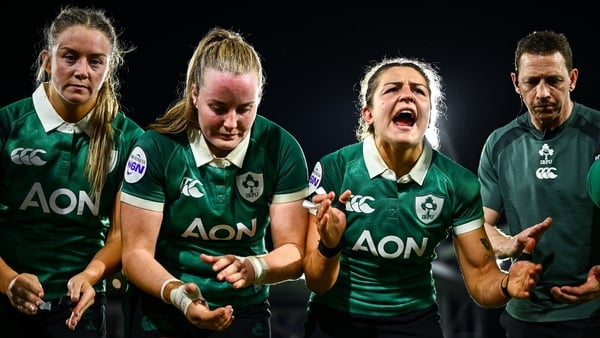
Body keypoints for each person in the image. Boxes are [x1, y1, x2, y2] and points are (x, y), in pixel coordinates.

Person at [301, 56, 545, 338]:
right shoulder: (335, 168)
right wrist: (330, 245)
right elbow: (317, 283)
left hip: (413, 321)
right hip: (336, 318)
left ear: (429, 113)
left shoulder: (458, 183)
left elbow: (481, 279)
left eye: (419, 91)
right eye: (392, 89)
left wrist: (506, 285)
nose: (407, 95)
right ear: (368, 113)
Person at [119, 27, 310, 337]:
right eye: (218, 108)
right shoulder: (155, 147)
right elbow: (135, 255)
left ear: (259, 98)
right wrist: (181, 295)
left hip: (244, 309)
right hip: (163, 303)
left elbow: (293, 251)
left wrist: (255, 267)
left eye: (245, 109)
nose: (232, 124)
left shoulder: (281, 148)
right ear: (195, 94)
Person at [0, 5, 143, 338]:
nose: (82, 70)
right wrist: (9, 281)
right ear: (47, 61)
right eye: (70, 57)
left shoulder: (131, 140)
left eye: (95, 61)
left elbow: (121, 237)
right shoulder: (8, 125)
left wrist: (91, 276)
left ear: (109, 69)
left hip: (79, 305)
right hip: (5, 295)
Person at [478, 30, 600, 338]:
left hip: (595, 313)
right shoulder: (499, 143)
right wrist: (509, 244)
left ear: (572, 79)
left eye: (554, 81)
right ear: (516, 83)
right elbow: (476, 226)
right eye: (532, 82)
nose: (542, 93)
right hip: (525, 317)